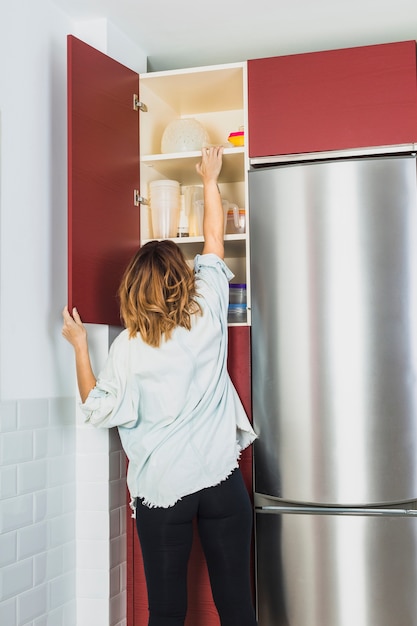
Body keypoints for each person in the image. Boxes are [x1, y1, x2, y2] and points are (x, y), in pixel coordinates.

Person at [62, 145, 258, 626]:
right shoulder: (208, 307)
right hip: (221, 481)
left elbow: (95, 407)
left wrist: (79, 346)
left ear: (133, 288)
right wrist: (211, 178)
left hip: (163, 490)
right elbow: (214, 238)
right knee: (237, 607)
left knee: (167, 612)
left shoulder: (127, 347)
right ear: (181, 280)